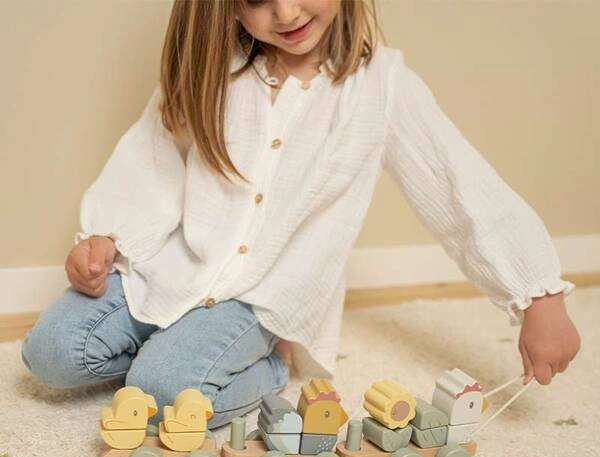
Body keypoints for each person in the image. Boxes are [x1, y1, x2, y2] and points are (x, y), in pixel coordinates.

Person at [21, 0, 580, 429]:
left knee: (163, 392)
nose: (286, 13)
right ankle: (178, 348)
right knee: (49, 353)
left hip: (261, 295)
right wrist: (107, 234)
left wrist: (537, 295)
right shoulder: (211, 69)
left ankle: (269, 364)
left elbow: (458, 186)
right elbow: (154, 162)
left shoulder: (381, 88)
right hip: (172, 265)